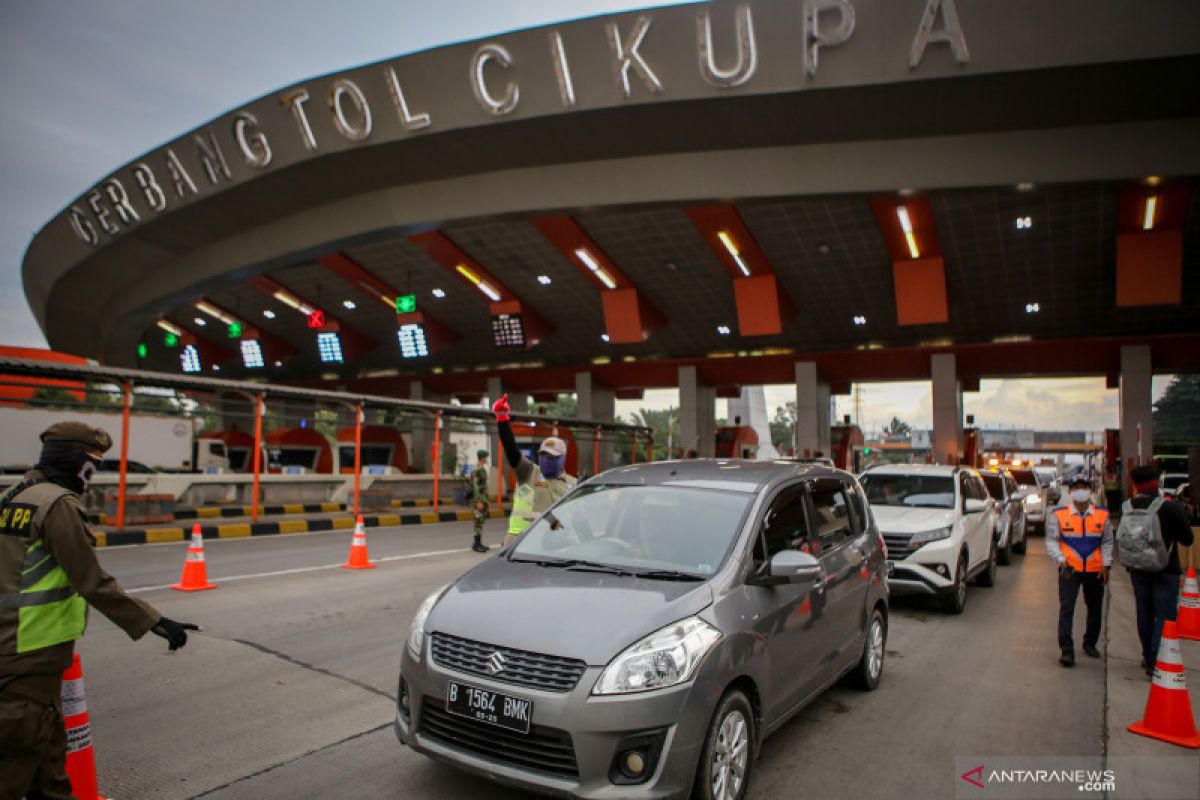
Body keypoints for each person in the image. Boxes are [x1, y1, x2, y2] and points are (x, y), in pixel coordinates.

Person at [1, 422, 198, 800]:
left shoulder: (14, 495)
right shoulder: (58, 505)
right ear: (72, 460)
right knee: (18, 755)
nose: (92, 476)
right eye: (91, 465)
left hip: (15, 645)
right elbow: (91, 581)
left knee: (47, 752)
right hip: (32, 649)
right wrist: (154, 621)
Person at [1125, 464, 1195, 676]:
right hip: (1165, 569)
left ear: (1135, 485)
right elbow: (1188, 539)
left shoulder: (1127, 507)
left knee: (1144, 613)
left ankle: (1148, 655)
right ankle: (1157, 658)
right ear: (1155, 483)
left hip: (1138, 568)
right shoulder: (1169, 507)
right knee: (1164, 616)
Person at [1045, 475, 1113, 667]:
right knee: (1067, 608)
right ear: (1071, 491)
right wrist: (1060, 559)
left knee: (1095, 609)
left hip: (1095, 569)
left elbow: (1107, 541)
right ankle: (1067, 650)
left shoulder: (1102, 514)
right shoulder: (1059, 514)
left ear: (1089, 491)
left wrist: (1106, 565)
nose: (1081, 490)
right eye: (1077, 487)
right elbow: (1052, 540)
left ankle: (1090, 643)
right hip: (1069, 569)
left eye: (1084, 486)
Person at [490, 395, 576, 542]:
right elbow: (512, 451)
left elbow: (579, 518)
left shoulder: (573, 484)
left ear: (563, 459)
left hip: (554, 545)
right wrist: (502, 420)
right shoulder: (529, 472)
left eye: (551, 457)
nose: (546, 459)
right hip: (519, 543)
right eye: (543, 455)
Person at [470, 450, 490, 553]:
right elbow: (476, 487)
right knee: (478, 521)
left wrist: (486, 500)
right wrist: (478, 501)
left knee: (481, 521)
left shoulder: (482, 469)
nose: (487, 459)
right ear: (482, 458)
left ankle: (479, 543)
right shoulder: (477, 470)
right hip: (479, 500)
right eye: (486, 457)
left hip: (483, 499)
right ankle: (476, 544)